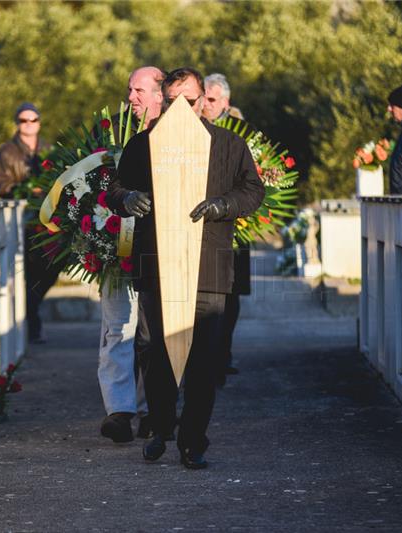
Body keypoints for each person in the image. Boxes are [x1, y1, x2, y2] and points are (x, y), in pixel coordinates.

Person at [107, 67, 264, 469]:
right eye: (174, 100)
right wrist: (128, 200)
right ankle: (160, 428)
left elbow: (252, 190)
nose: (183, 108)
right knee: (155, 351)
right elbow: (116, 189)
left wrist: (222, 205)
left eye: (190, 101)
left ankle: (193, 440)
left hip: (208, 268)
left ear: (202, 102)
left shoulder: (229, 144)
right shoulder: (143, 145)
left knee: (204, 359)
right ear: (165, 100)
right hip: (156, 266)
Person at [98, 66, 165, 444]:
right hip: (118, 246)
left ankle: (155, 411)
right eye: (129, 90)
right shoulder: (111, 131)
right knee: (118, 329)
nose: (131, 98)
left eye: (140, 90)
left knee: (153, 336)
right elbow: (108, 187)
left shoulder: (177, 138)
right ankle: (120, 412)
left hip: (159, 251)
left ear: (161, 95)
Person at [0, 102, 61, 345]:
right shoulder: (7, 152)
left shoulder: (49, 149)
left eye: (33, 120)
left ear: (39, 123)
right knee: (31, 271)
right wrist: (25, 190)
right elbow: (1, 185)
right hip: (23, 219)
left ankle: (31, 312)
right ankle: (32, 323)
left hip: (48, 218)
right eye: (24, 120)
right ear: (17, 123)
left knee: (52, 267)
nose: (28, 124)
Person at [203, 73, 252, 386]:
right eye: (203, 99)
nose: (206, 105)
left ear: (226, 102)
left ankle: (223, 353)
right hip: (209, 226)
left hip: (236, 225)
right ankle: (209, 356)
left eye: (212, 99)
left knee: (231, 294)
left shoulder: (243, 133)